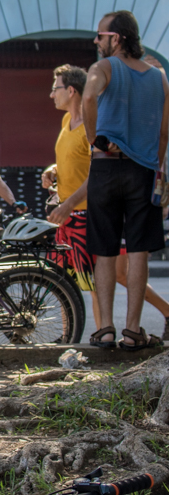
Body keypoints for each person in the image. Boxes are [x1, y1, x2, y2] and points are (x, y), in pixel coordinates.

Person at [42, 64, 169, 341]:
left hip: (89, 208)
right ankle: (70, 335)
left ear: (72, 90)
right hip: (70, 215)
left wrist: (69, 203)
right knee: (70, 278)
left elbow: (97, 173)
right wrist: (53, 170)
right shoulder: (67, 124)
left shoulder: (95, 127)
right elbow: (71, 161)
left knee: (109, 276)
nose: (51, 94)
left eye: (55, 88)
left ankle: (111, 332)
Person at [82, 10, 169, 350]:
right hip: (144, 170)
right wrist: (159, 170)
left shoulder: (103, 68)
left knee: (104, 252)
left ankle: (105, 330)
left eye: (100, 35)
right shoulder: (159, 78)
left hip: (106, 166)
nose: (96, 41)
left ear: (115, 38)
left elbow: (89, 97)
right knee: (139, 252)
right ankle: (133, 331)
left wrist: (94, 138)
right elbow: (164, 133)